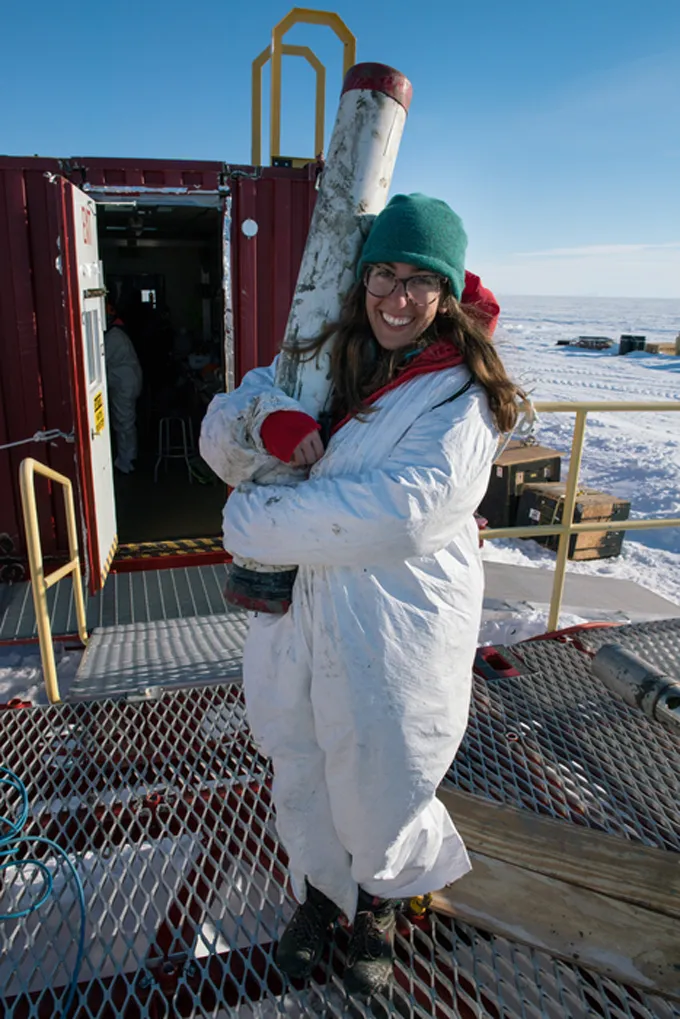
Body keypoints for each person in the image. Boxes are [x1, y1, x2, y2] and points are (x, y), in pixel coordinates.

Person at [199, 194, 524, 997]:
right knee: (299, 758)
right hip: (301, 612)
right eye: (384, 272)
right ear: (363, 276)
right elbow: (221, 422)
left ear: (447, 294)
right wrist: (265, 421)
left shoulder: (460, 395)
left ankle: (379, 900)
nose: (397, 297)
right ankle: (320, 895)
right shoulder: (319, 357)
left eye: (420, 281)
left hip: (395, 618)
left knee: (385, 768)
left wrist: (252, 517)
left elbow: (401, 515)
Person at [104, 303, 143, 474]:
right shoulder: (116, 334)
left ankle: (127, 462)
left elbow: (100, 362)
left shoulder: (113, 337)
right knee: (125, 422)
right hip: (126, 382)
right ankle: (127, 458)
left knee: (124, 423)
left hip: (124, 385)